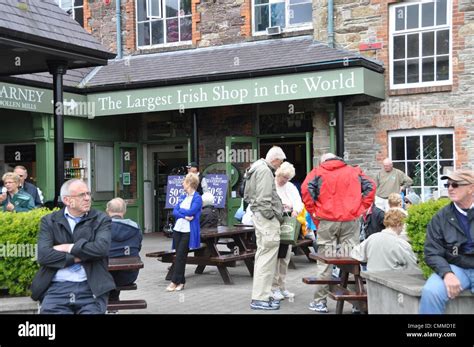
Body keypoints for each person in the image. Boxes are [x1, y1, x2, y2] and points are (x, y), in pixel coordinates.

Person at [301, 153, 375, 313]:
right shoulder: (354, 171)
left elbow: (305, 190)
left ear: (324, 161)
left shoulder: (317, 172)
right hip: (350, 220)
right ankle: (357, 303)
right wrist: (362, 207)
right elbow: (371, 186)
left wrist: (314, 212)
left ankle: (320, 302)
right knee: (352, 260)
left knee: (325, 260)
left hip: (327, 221)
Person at [31, 179, 115, 314]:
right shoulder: (49, 221)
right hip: (57, 288)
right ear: (67, 200)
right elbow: (44, 256)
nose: (87, 198)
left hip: (90, 287)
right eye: (82, 195)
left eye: (88, 193)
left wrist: (68, 248)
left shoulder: (101, 219)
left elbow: (101, 249)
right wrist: (80, 256)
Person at [419, 169, 474, 314]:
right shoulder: (441, 217)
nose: (450, 188)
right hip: (457, 267)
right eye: (447, 184)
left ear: (471, 188)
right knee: (431, 292)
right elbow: (432, 252)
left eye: (455, 184)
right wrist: (447, 273)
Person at [244, 146, 286, 310]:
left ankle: (261, 296)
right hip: (266, 219)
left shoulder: (256, 168)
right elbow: (263, 199)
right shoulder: (264, 171)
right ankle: (260, 298)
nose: (280, 166)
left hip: (260, 217)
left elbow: (248, 196)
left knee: (263, 257)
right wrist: (272, 216)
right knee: (267, 258)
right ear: (275, 159)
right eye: (280, 162)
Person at [271, 161, 303, 301]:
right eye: (283, 177)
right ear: (278, 173)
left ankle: (282, 287)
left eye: (287, 178)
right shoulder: (271, 185)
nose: (284, 180)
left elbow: (298, 202)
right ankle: (273, 287)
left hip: (288, 223)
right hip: (274, 223)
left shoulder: (290, 187)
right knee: (274, 258)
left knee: (284, 258)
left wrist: (295, 209)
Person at [166, 173, 202, 292]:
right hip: (178, 229)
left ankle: (174, 281)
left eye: (184, 182)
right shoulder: (182, 196)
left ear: (190, 183)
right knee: (178, 255)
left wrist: (182, 212)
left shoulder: (197, 198)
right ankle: (181, 282)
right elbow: (174, 211)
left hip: (188, 231)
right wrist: (184, 215)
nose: (182, 184)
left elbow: (192, 211)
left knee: (181, 255)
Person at [351, 209, 418, 272]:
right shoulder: (402, 244)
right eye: (403, 225)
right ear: (398, 224)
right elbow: (413, 267)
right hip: (393, 282)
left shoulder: (372, 238)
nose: (403, 228)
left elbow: (355, 253)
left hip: (372, 282)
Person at [106, 197, 143, 301]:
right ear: (124, 211)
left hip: (103, 277)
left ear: (108, 211)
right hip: (127, 276)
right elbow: (138, 248)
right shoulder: (136, 228)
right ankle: (113, 304)